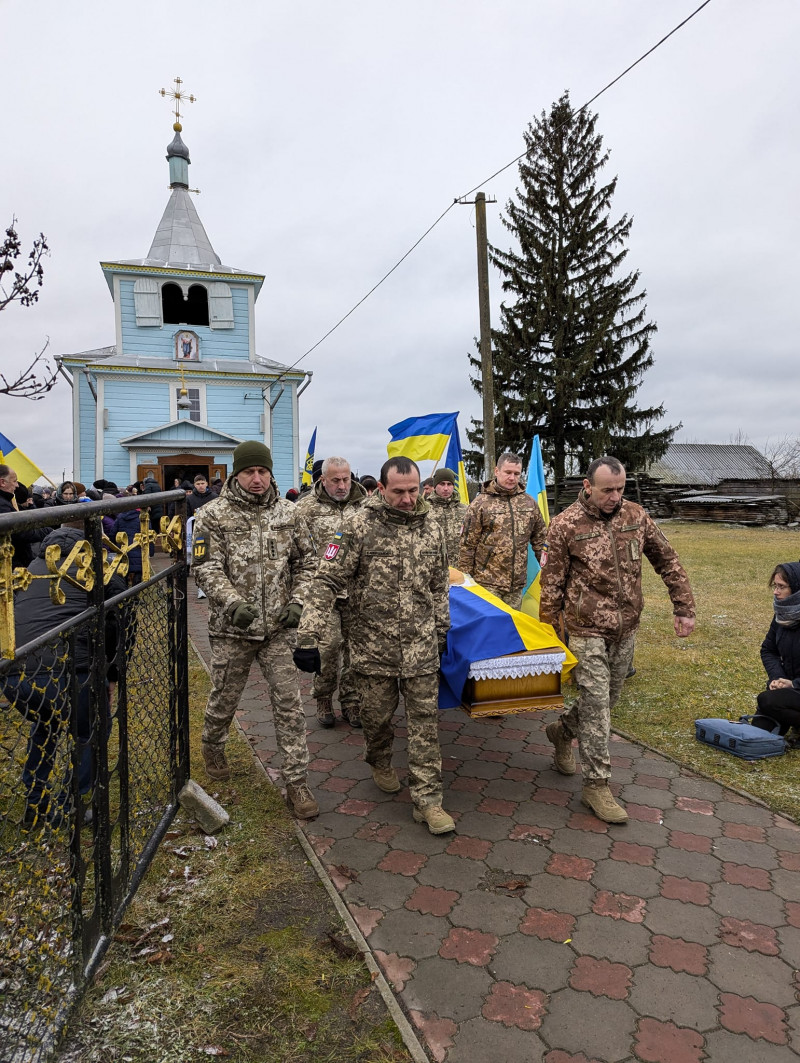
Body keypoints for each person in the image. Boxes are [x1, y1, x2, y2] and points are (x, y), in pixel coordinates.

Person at [294, 456, 454, 835]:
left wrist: (441, 631)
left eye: (413, 490)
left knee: (425, 725)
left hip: (419, 647)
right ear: (381, 489)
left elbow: (439, 586)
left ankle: (428, 801)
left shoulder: (432, 527)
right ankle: (379, 758)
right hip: (371, 648)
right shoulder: (355, 526)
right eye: (398, 491)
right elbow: (325, 581)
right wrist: (308, 634)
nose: (407, 499)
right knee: (377, 719)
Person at [539, 455, 696, 824]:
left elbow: (668, 560)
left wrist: (684, 607)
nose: (615, 496)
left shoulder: (636, 517)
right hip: (584, 628)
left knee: (608, 699)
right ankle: (597, 784)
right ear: (587, 487)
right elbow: (551, 586)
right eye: (607, 489)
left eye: (620, 488)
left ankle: (561, 732)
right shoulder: (564, 526)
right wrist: (550, 633)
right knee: (596, 701)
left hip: (626, 627)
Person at [193, 440, 319, 819]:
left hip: (278, 630)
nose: (257, 479)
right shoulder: (211, 515)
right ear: (236, 473)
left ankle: (296, 781)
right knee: (224, 698)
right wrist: (231, 603)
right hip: (233, 630)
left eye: (263, 471)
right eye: (249, 472)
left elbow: (308, 561)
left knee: (289, 705)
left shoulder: (289, 513)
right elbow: (205, 565)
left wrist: (298, 600)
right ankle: (212, 744)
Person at [0, 519, 125, 829]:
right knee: (90, 732)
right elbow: (115, 618)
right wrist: (112, 671)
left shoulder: (33, 567)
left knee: (45, 724)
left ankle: (36, 804)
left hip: (15, 673)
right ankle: (76, 804)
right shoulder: (90, 571)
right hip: (67, 670)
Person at [295, 456, 366, 728]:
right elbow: (297, 552)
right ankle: (323, 696)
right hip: (323, 593)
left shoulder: (365, 506)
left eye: (346, 478)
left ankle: (351, 700)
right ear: (322, 479)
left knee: (354, 650)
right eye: (335, 480)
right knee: (329, 647)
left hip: (357, 592)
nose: (341, 485)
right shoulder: (305, 509)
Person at [458, 450, 546, 609]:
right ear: (497, 471)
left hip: (516, 585)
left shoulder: (529, 504)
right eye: (508, 472)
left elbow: (540, 541)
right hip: (487, 583)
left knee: (511, 629)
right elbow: (467, 545)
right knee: (489, 630)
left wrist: (549, 572)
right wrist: (466, 580)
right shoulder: (480, 504)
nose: (512, 478)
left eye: (517, 473)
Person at [753, 562, 800, 739]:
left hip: (795, 687)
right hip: (789, 688)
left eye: (781, 587)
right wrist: (777, 678)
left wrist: (794, 684)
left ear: (796, 588)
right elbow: (768, 649)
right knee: (758, 734)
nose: (775, 592)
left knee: (767, 700)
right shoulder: (782, 614)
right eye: (775, 586)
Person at [0, 465, 44, 567]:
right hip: (10, 566)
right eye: (14, 481)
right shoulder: (2, 505)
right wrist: (46, 531)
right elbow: (20, 532)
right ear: (2, 482)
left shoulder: (5, 501)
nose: (17, 486)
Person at [427, 467, 467, 563]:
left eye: (449, 484)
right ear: (435, 485)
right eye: (442, 484)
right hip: (433, 567)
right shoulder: (425, 510)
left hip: (459, 567)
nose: (446, 488)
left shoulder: (465, 510)